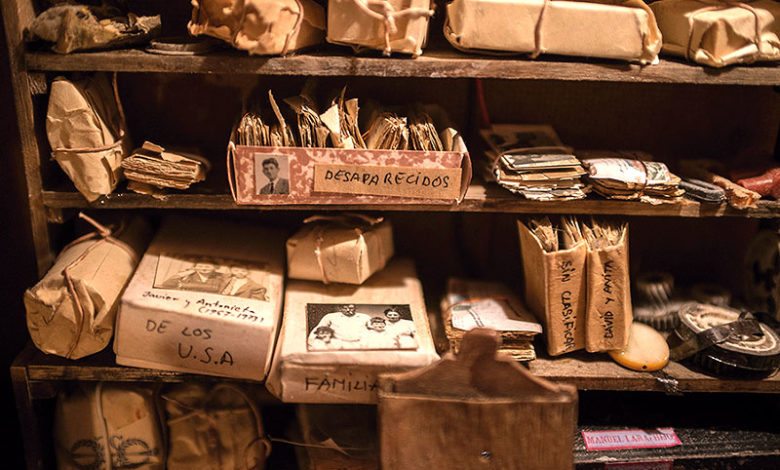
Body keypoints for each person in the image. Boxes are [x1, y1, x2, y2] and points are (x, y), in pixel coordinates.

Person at [160, 259, 226, 293]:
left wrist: (184, 285)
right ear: (195, 267)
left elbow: (218, 289)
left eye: (207, 266)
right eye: (200, 266)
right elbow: (166, 284)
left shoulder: (221, 276)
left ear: (215, 267)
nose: (204, 268)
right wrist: (183, 274)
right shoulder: (188, 275)